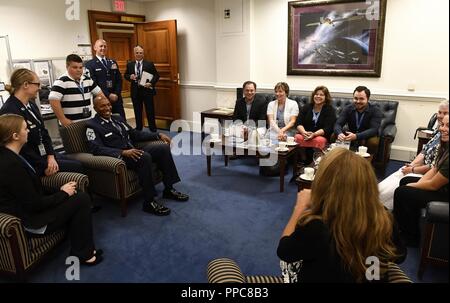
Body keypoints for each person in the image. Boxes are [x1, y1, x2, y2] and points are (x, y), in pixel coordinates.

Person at [277, 148, 404, 282]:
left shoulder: (317, 226)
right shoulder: (384, 218)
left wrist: (299, 208)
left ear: (324, 183)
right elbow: (400, 255)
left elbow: (283, 251)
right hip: (369, 278)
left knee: (288, 264)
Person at [0, 114, 103, 265]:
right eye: (25, 128)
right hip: (30, 221)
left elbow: (33, 188)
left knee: (76, 194)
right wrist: (62, 193)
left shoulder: (12, 156)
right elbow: (34, 204)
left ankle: (81, 249)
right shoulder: (11, 165)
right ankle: (84, 254)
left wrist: (60, 191)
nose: (28, 131)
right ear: (15, 136)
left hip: (32, 209)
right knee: (81, 199)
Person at [85, 95, 189, 216]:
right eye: (103, 106)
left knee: (162, 147)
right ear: (95, 108)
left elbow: (135, 134)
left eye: (108, 104)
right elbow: (96, 148)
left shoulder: (117, 118)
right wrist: (122, 152)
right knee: (144, 157)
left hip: (133, 149)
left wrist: (157, 135)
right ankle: (149, 202)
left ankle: (169, 189)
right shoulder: (92, 125)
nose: (107, 108)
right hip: (120, 156)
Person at [1, 68, 84, 177]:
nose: (39, 88)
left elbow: (44, 132)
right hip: (33, 163)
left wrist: (50, 155)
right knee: (77, 167)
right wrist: (45, 165)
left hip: (44, 155)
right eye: (37, 84)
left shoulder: (31, 105)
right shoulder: (10, 110)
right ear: (26, 85)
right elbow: (21, 149)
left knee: (78, 163)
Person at [379, 100, 449, 210]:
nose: (441, 116)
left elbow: (434, 183)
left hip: (442, 190)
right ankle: (377, 204)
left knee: (401, 189)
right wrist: (412, 166)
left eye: (445, 113)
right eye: (439, 112)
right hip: (430, 175)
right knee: (401, 178)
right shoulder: (441, 137)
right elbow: (428, 156)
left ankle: (381, 209)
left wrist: (413, 173)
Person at [393, 114, 449, 246]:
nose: (443, 129)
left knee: (402, 192)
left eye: (448, 126)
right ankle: (407, 227)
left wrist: (413, 186)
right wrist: (415, 184)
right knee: (404, 182)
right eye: (442, 125)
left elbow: (433, 186)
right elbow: (434, 169)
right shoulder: (445, 146)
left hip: (445, 194)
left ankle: (410, 237)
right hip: (441, 186)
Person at [49, 54, 104, 126]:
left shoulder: (87, 79)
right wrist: (62, 119)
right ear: (67, 67)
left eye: (81, 67)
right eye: (75, 67)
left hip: (88, 122)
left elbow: (100, 94)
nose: (78, 70)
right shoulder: (61, 81)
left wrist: (100, 109)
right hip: (71, 125)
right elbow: (53, 100)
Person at [334, 86, 383, 155]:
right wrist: (339, 133)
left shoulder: (375, 110)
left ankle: (369, 163)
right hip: (351, 133)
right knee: (334, 135)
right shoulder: (348, 108)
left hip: (368, 135)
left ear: (368, 99)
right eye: (355, 98)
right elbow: (338, 124)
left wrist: (357, 136)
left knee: (373, 142)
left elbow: (373, 129)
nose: (358, 101)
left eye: (361, 99)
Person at [295, 85, 336, 164]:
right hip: (305, 134)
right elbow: (298, 122)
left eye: (321, 95)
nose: (318, 96)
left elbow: (328, 128)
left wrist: (314, 134)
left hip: (320, 135)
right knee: (297, 137)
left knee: (320, 140)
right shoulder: (307, 107)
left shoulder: (329, 109)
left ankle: (316, 162)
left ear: (326, 97)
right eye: (316, 94)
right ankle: (303, 160)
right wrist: (303, 132)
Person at [85, 39, 126, 119]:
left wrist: (116, 94)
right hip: (101, 99)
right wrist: (108, 95)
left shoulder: (112, 62)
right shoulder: (90, 64)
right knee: (106, 123)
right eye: (101, 46)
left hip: (116, 98)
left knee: (121, 120)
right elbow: (93, 83)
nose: (103, 48)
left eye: (105, 46)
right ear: (95, 48)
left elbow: (119, 80)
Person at [124, 45, 160, 132]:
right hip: (135, 91)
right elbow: (126, 75)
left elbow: (156, 75)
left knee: (150, 110)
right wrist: (130, 77)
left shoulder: (149, 64)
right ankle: (139, 128)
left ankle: (153, 128)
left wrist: (151, 83)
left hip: (147, 91)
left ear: (143, 54)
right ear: (134, 54)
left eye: (141, 53)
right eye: (137, 53)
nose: (139, 54)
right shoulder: (130, 64)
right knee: (137, 111)